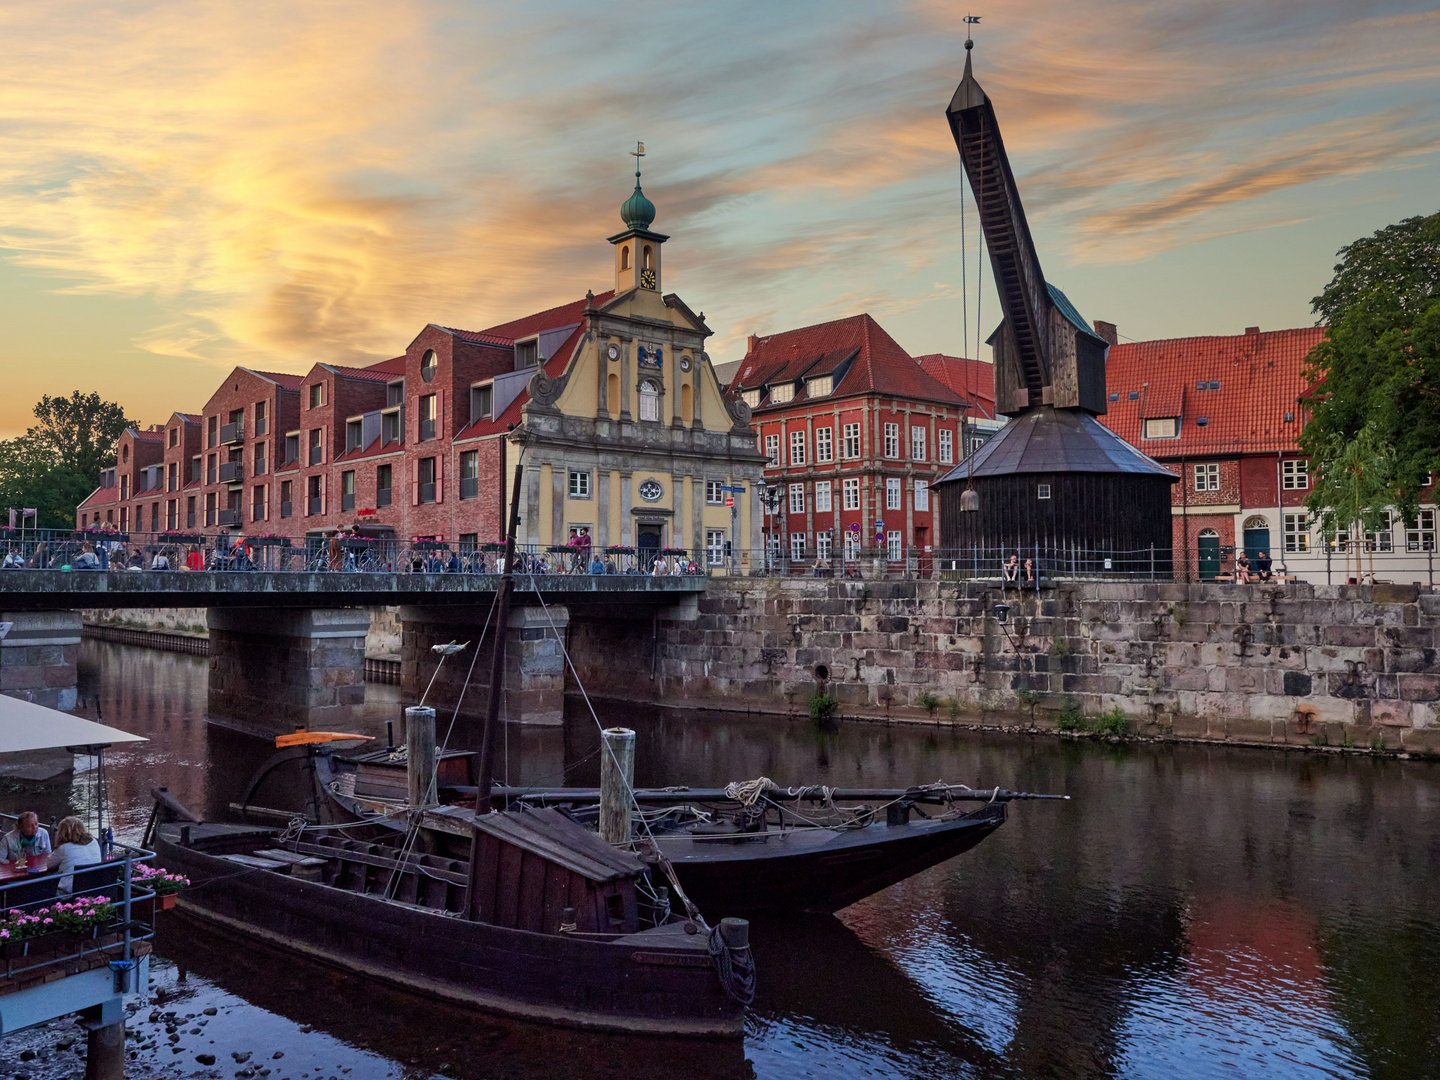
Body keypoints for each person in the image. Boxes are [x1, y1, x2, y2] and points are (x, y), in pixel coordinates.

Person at [48, 817, 102, 895]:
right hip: (93, 886)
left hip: (69, 891)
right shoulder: (94, 842)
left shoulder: (64, 847)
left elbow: (49, 864)